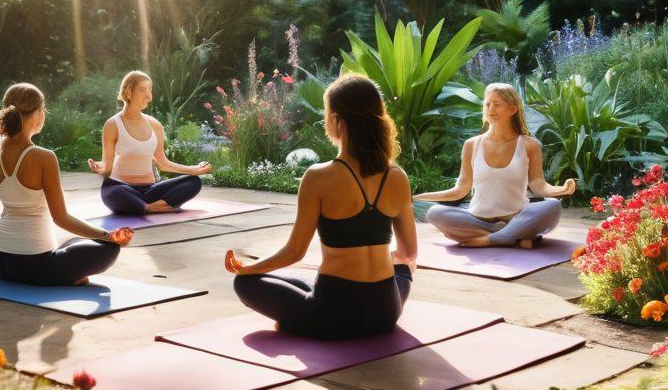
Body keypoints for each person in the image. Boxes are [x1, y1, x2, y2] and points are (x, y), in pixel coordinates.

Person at [225, 74, 417, 340]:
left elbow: (294, 252)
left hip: (334, 315)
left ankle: (302, 319)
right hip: (385, 312)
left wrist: (247, 268)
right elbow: (409, 252)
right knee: (402, 271)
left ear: (337, 121)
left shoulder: (318, 176)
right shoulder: (397, 176)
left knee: (245, 283)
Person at [0, 83, 134, 285]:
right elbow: (61, 218)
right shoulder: (44, 157)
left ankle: (66, 271)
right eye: (43, 110)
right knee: (109, 249)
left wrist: (16, 208)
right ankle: (68, 277)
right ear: (37, 114)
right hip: (34, 266)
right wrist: (109, 236)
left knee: (75, 242)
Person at [417, 82, 576, 248]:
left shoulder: (530, 145)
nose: (490, 109)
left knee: (552, 205)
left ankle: (490, 239)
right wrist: (418, 197)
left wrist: (561, 190)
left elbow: (538, 185)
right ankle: (514, 235)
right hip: (478, 219)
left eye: (497, 104)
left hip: (517, 216)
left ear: (512, 109)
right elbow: (460, 190)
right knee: (435, 213)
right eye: (487, 104)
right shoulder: (471, 144)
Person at [88, 70, 212, 215]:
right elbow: (107, 166)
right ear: (128, 92)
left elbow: (162, 162)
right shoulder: (112, 124)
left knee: (194, 182)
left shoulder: (155, 125)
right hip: (121, 186)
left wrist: (193, 170)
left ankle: (144, 206)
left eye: (150, 89)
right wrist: (99, 167)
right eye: (142, 90)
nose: (149, 96)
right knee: (111, 193)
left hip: (150, 189)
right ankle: (152, 207)